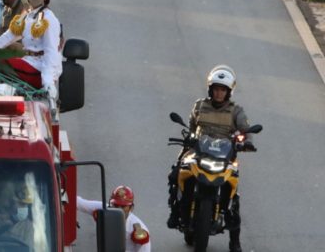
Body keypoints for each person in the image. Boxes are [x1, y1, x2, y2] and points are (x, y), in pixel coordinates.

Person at [167, 65, 254, 252]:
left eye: (223, 90)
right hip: (198, 151)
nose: (219, 93)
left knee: (234, 192)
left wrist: (246, 141)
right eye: (216, 89)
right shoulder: (199, 105)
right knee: (175, 174)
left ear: (229, 92)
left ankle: (235, 241)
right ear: (210, 89)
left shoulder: (236, 111)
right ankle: (176, 212)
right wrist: (188, 136)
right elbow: (191, 126)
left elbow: (246, 131)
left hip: (224, 154)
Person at [0, 0, 62, 105]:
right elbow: (8, 36)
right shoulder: (27, 15)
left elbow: (51, 52)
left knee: (0, 64)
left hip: (39, 68)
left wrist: (48, 82)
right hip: (28, 61)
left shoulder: (49, 19)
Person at [77, 186, 151, 252]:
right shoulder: (105, 209)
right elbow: (78, 203)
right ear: (110, 204)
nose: (118, 209)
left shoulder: (140, 230)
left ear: (131, 208)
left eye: (123, 206)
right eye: (116, 205)